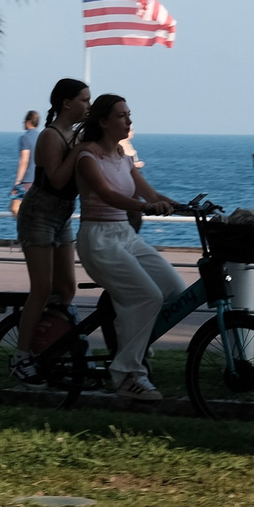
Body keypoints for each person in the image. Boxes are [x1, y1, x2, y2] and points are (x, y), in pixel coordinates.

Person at [72, 94, 189, 402]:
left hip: (125, 234)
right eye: (122, 116)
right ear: (104, 122)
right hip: (98, 238)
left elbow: (149, 192)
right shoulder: (87, 156)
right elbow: (107, 195)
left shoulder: (123, 157)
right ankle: (127, 374)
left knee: (175, 290)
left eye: (129, 114)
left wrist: (186, 207)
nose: (129, 121)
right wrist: (146, 206)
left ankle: (131, 348)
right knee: (148, 297)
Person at [10, 78, 90, 384]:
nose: (88, 105)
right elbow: (57, 180)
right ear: (66, 103)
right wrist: (80, 148)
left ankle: (49, 344)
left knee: (66, 289)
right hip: (38, 216)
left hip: (62, 217)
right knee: (42, 290)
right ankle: (21, 355)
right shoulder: (50, 136)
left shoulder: (75, 134)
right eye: (84, 100)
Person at [8, 110, 42, 215]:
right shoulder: (41, 137)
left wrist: (17, 182)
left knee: (14, 207)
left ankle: (26, 229)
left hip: (27, 181)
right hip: (40, 181)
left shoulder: (25, 138)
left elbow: (24, 160)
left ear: (28, 121)